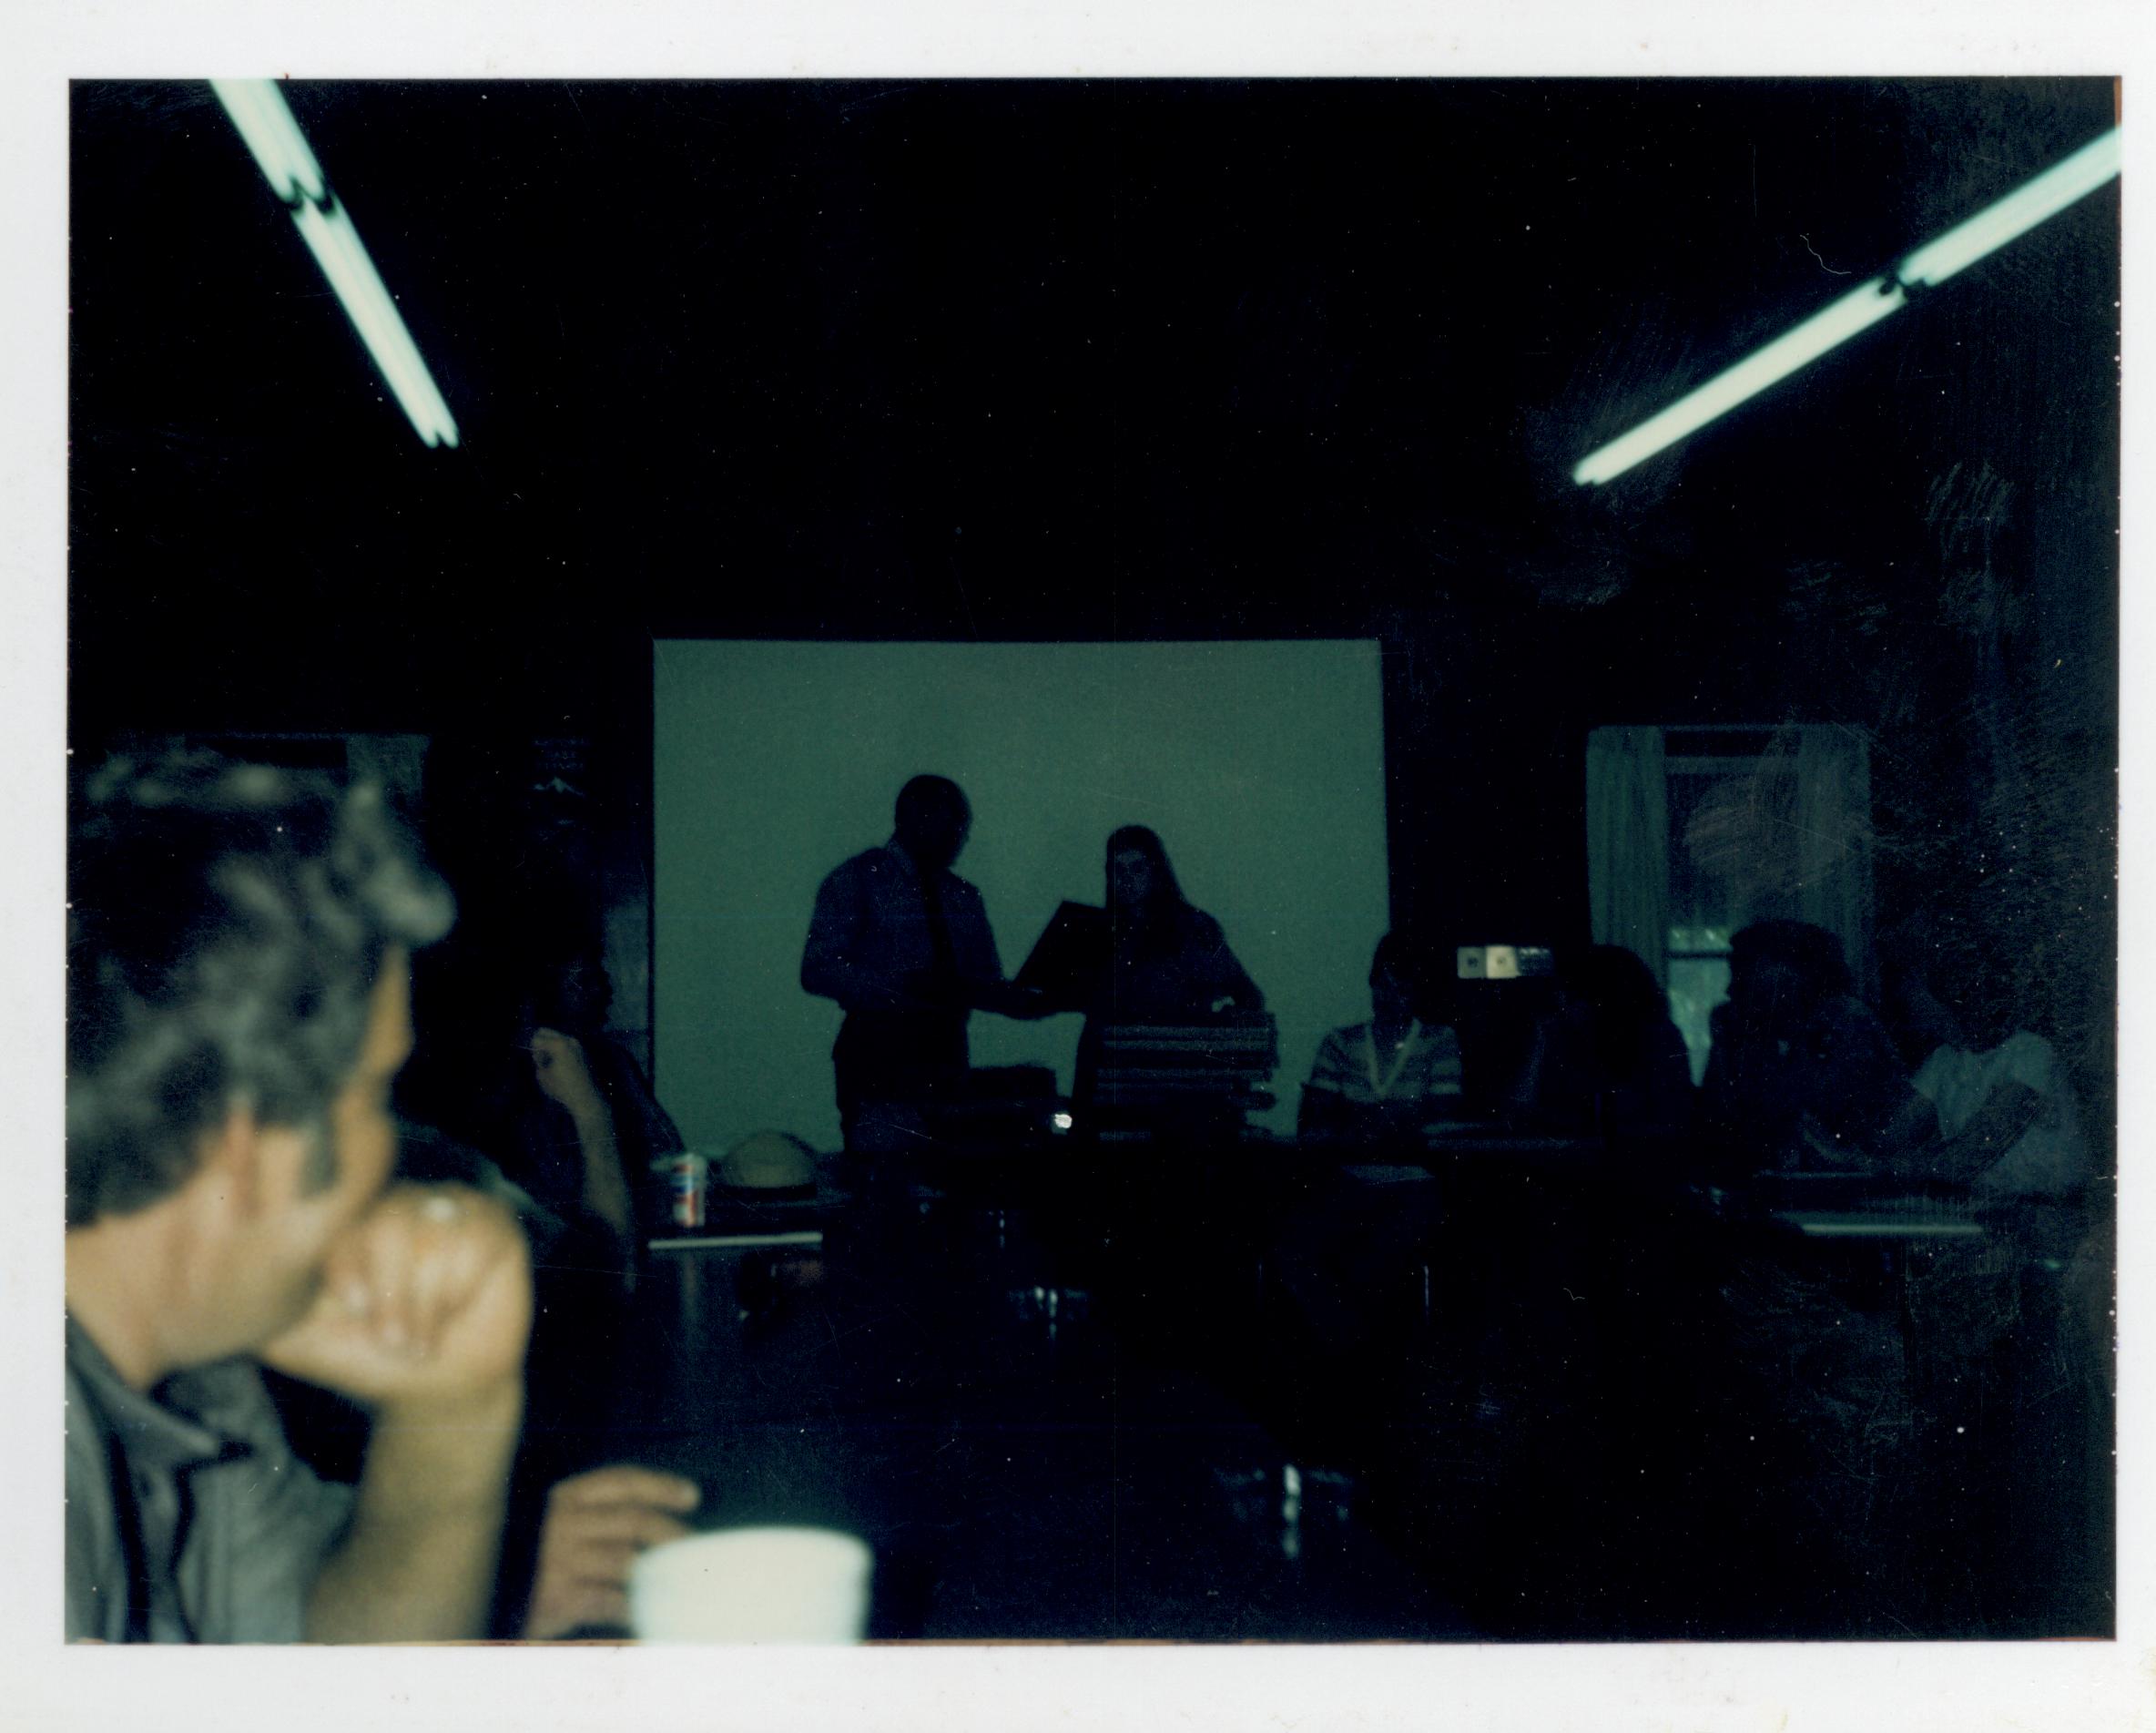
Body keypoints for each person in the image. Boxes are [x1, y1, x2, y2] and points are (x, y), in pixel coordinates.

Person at [65, 752, 696, 1643]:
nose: (391, 1151)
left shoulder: (193, 1370)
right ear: (248, 1148)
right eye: (375, 1095)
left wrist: (452, 1412)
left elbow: (333, 1667)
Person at [801, 775, 1042, 1157]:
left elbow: (983, 982)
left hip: (945, 1058)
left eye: (959, 827)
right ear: (914, 818)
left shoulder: (962, 896)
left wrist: (1033, 998)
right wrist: (900, 985)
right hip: (877, 1056)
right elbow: (817, 968)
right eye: (950, 824)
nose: (958, 837)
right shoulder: (858, 880)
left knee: (944, 1184)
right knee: (884, 1188)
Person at [1073, 825, 1266, 1137]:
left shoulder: (1191, 929)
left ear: (1156, 872)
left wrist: (1228, 1069)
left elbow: (1248, 995)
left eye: (1138, 868)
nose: (1127, 880)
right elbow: (1090, 1023)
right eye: (1118, 870)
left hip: (1181, 1095)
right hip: (1116, 1091)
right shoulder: (1099, 935)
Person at [1700, 919, 1932, 1171]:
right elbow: (1721, 1135)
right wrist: (1723, 1053)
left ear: (1789, 970)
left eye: (1744, 972)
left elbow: (1804, 1121)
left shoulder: (1845, 1023)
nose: (1731, 989)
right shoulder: (1766, 1038)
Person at [1506, 944, 1695, 1142]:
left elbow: (1674, 1120)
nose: (1563, 1006)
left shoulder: (1659, 1039)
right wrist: (1541, 1038)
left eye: (1573, 997)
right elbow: (1518, 1114)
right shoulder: (1563, 1039)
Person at [1300, 933, 1468, 1147]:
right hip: (1351, 1167)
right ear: (1372, 983)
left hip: (1417, 1168)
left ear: (1417, 993)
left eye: (1402, 991)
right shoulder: (1339, 1042)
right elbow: (1318, 1118)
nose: (1390, 999)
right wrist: (1404, 1116)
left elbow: (1442, 1116)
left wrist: (1354, 1115)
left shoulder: (1439, 1041)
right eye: (1383, 987)